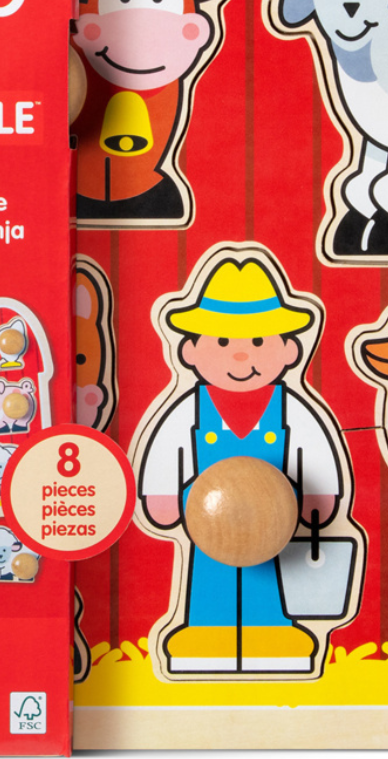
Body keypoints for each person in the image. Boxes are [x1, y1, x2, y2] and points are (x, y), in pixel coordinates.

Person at [140, 258, 342, 673]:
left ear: (290, 350)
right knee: (208, 578)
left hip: (277, 519)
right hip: (206, 519)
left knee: (273, 577)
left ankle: (272, 633)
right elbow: (167, 446)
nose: (240, 353)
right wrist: (160, 494)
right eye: (220, 342)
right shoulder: (189, 408)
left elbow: (314, 449)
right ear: (189, 351)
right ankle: (204, 633)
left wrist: (321, 498)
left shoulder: (292, 408)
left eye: (259, 341)